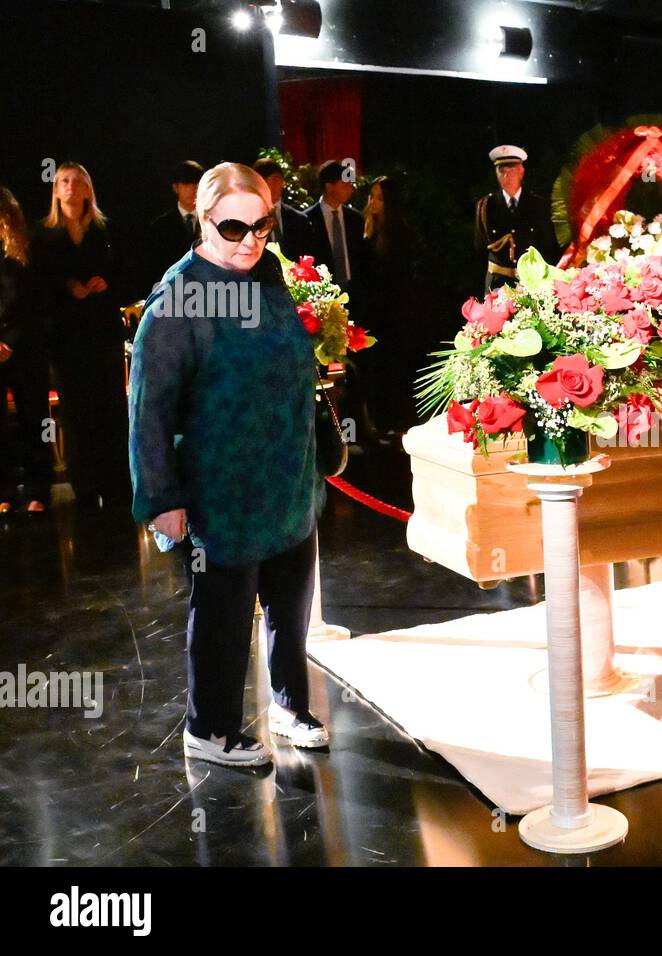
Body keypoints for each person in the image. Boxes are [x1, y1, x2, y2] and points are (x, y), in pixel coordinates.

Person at [129, 162, 329, 767]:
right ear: (202, 219)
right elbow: (149, 405)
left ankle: (289, 701)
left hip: (288, 481)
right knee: (223, 612)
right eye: (234, 227)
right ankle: (209, 727)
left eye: (262, 226)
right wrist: (160, 498)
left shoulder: (268, 276)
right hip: (221, 491)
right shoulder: (181, 296)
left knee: (291, 602)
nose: (250, 240)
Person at [30, 161, 131, 511]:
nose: (71, 187)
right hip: (65, 335)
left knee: (110, 405)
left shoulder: (107, 231)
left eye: (77, 181)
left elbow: (128, 275)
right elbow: (36, 285)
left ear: (88, 189)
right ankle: (85, 485)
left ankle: (117, 481)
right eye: (64, 182)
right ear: (56, 190)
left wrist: (107, 285)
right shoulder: (42, 235)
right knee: (76, 410)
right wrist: (66, 287)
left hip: (101, 330)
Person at [0, 186, 51, 515]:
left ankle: (38, 490)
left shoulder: (28, 248)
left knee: (35, 421)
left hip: (25, 347)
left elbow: (37, 302)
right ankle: (4, 492)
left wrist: (11, 341)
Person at [358, 174, 421, 437]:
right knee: (375, 368)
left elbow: (404, 277)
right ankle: (379, 421)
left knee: (396, 367)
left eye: (380, 198)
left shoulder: (402, 234)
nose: (373, 202)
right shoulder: (365, 232)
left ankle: (399, 421)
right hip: (372, 312)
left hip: (395, 313)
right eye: (371, 196)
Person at [473, 145, 560, 295]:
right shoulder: (486, 206)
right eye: (502, 171)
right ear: (496, 173)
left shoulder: (538, 204)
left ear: (521, 171)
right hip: (497, 283)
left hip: (532, 283)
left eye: (512, 170)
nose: (507, 176)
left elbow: (549, 245)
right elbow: (479, 248)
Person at [142, 160, 204, 298]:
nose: (193, 189)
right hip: (172, 296)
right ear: (176, 187)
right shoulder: (160, 226)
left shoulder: (212, 221)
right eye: (187, 184)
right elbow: (152, 268)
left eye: (197, 184)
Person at [304, 159, 365, 291]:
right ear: (329, 186)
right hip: (323, 291)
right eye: (344, 185)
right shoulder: (307, 219)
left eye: (351, 185)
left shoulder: (355, 219)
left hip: (355, 291)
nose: (350, 189)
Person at [253, 157, 311, 259]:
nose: (270, 185)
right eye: (264, 180)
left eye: (276, 179)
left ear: (283, 182)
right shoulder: (250, 219)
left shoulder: (299, 220)